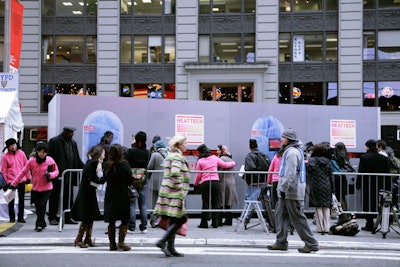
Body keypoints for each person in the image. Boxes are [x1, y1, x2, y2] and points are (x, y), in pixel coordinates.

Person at [267, 129, 319, 253]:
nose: (281, 139)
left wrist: (283, 188)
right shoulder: (292, 151)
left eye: (283, 137)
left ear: (288, 139)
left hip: (291, 191)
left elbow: (290, 173)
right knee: (280, 216)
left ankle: (311, 243)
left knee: (298, 218)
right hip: (289, 190)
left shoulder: (292, 152)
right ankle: (281, 242)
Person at [154, 135, 190, 257]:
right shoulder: (176, 156)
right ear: (179, 144)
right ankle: (162, 242)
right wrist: (181, 188)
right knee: (181, 219)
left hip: (169, 192)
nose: (186, 145)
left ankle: (170, 247)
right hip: (174, 193)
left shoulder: (171, 155)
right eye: (185, 143)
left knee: (174, 219)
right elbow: (175, 173)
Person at [11, 142, 59, 232]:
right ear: (37, 151)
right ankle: (43, 222)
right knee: (38, 208)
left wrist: (50, 175)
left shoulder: (50, 160)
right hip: (36, 188)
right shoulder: (32, 161)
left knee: (42, 205)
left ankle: (39, 225)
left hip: (47, 187)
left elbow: (56, 171)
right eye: (40, 152)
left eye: (44, 152)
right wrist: (14, 183)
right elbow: (23, 172)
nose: (42, 154)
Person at [47, 126, 84, 225]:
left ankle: (67, 216)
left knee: (68, 197)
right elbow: (49, 159)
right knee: (55, 196)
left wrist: (85, 167)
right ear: (65, 132)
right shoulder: (54, 141)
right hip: (58, 175)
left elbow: (76, 158)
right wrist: (51, 174)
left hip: (69, 175)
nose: (72, 134)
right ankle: (52, 217)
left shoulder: (73, 143)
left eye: (73, 132)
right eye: (70, 132)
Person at [71, 145, 106, 248]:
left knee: (89, 216)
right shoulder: (94, 163)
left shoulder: (90, 162)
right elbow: (92, 178)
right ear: (99, 154)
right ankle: (79, 239)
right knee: (87, 216)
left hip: (87, 192)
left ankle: (87, 238)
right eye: (103, 154)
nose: (104, 156)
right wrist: (102, 180)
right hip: (88, 193)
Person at [194, 144, 236, 229]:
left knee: (205, 203)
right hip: (215, 183)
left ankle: (204, 223)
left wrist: (195, 184)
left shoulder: (200, 161)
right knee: (215, 202)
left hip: (205, 183)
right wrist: (233, 162)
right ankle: (215, 223)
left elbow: (198, 175)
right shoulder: (214, 158)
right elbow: (225, 165)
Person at [356, 139, 391, 232]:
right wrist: (388, 186)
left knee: (368, 204)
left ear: (368, 147)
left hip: (368, 185)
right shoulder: (383, 158)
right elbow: (387, 173)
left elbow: (361, 172)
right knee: (380, 204)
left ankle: (369, 224)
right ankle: (383, 224)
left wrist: (358, 184)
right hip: (380, 185)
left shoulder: (364, 157)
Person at [103, 144, 132, 251]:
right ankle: (121, 242)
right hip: (122, 194)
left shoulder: (106, 165)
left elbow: (105, 178)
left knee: (112, 220)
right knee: (124, 220)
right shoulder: (125, 164)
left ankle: (112, 244)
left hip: (110, 194)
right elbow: (130, 180)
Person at [124, 131, 150, 233]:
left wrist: (133, 145)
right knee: (143, 203)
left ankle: (131, 226)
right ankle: (144, 226)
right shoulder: (147, 152)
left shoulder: (131, 151)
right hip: (142, 178)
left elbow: (126, 159)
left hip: (132, 179)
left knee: (132, 203)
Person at [306, 143, 335, 235]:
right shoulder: (328, 161)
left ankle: (320, 227)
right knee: (326, 206)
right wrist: (333, 188)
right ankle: (326, 227)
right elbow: (331, 176)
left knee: (318, 206)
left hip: (315, 185)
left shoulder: (311, 161)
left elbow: (308, 173)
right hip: (327, 185)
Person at [1, 138, 29, 223]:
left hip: (21, 180)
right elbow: (3, 170)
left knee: (21, 199)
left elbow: (26, 166)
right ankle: (12, 218)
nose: (13, 147)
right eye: (11, 146)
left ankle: (21, 217)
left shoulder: (22, 153)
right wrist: (5, 182)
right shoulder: (5, 157)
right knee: (11, 200)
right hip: (10, 181)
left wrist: (28, 177)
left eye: (14, 145)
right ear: (8, 147)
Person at [243, 139, 270, 222]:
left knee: (249, 199)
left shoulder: (249, 156)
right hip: (264, 182)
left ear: (250, 147)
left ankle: (245, 217)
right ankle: (269, 217)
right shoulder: (264, 155)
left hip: (254, 182)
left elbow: (250, 168)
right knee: (263, 201)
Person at [147, 140, 168, 228]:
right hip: (165, 182)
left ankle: (153, 219)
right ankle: (163, 220)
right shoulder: (168, 155)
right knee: (164, 202)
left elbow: (149, 167)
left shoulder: (155, 155)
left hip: (155, 182)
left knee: (154, 201)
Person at [217, 144, 238, 226]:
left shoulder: (221, 159)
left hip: (223, 182)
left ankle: (219, 220)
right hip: (231, 182)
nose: (217, 152)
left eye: (218, 150)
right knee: (228, 201)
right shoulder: (230, 159)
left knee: (221, 201)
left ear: (221, 151)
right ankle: (229, 220)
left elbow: (218, 170)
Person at [333, 142, 353, 211]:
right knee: (342, 197)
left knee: (339, 197)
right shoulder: (345, 156)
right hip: (342, 177)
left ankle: (343, 215)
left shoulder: (339, 157)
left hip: (339, 178)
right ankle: (344, 214)